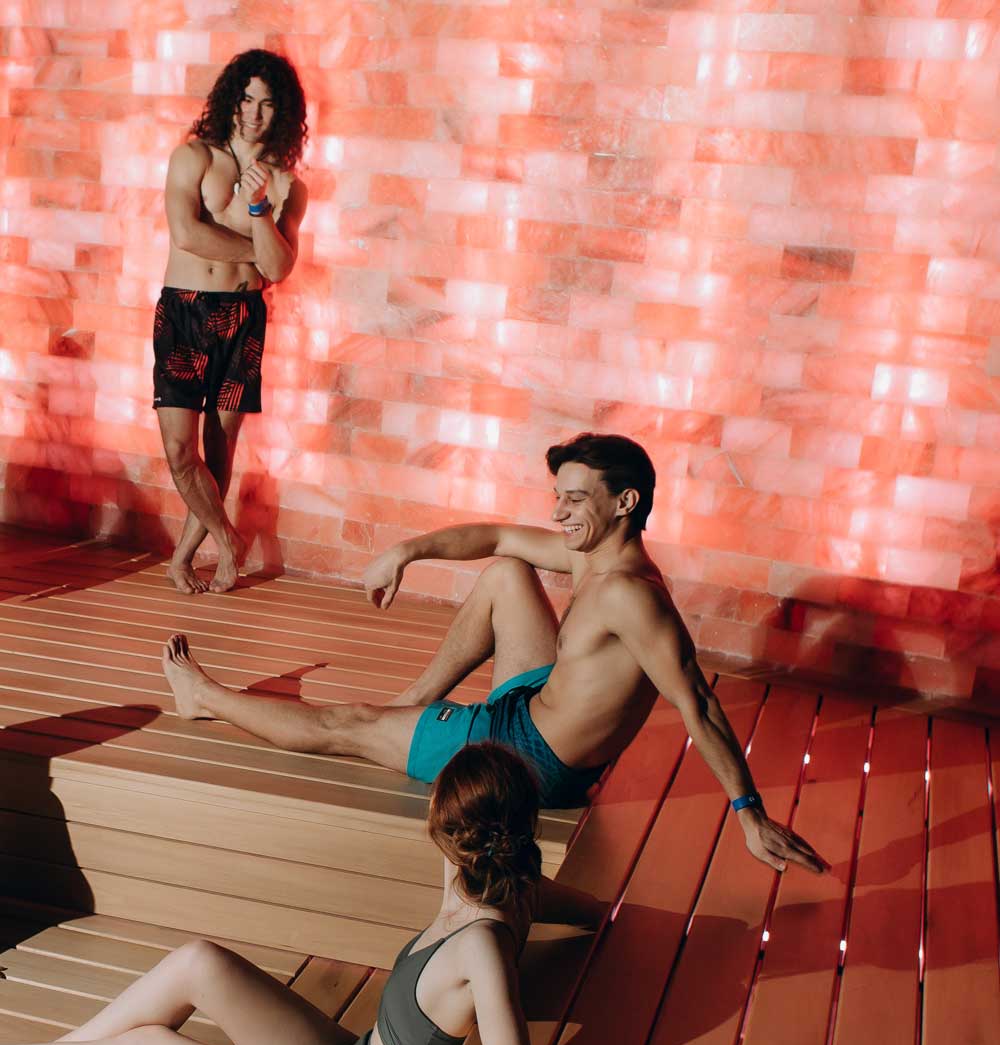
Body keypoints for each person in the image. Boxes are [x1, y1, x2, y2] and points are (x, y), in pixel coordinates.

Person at [162, 432, 826, 874]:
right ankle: (415, 707)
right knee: (508, 571)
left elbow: (698, 703)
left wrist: (749, 813)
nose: (559, 512)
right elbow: (499, 537)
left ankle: (204, 698)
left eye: (575, 499)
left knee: (349, 724)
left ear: (625, 501)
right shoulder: (593, 557)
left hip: (527, 760)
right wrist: (406, 551)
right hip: (532, 705)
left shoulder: (630, 596)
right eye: (558, 496)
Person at [0, 745, 598, 1045]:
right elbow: (590, 911)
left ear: (439, 820)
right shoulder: (506, 885)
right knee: (199, 962)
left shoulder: (483, 940)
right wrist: (608, 914)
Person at [154, 49, 308, 595]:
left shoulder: (286, 186)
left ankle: (184, 557)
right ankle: (228, 539)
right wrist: (256, 253)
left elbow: (279, 270)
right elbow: (186, 234)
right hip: (185, 309)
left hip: (243, 318)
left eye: (267, 104)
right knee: (180, 450)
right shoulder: (194, 156)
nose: (253, 113)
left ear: (282, 112)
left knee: (219, 449)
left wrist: (260, 209)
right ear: (230, 100)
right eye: (246, 99)